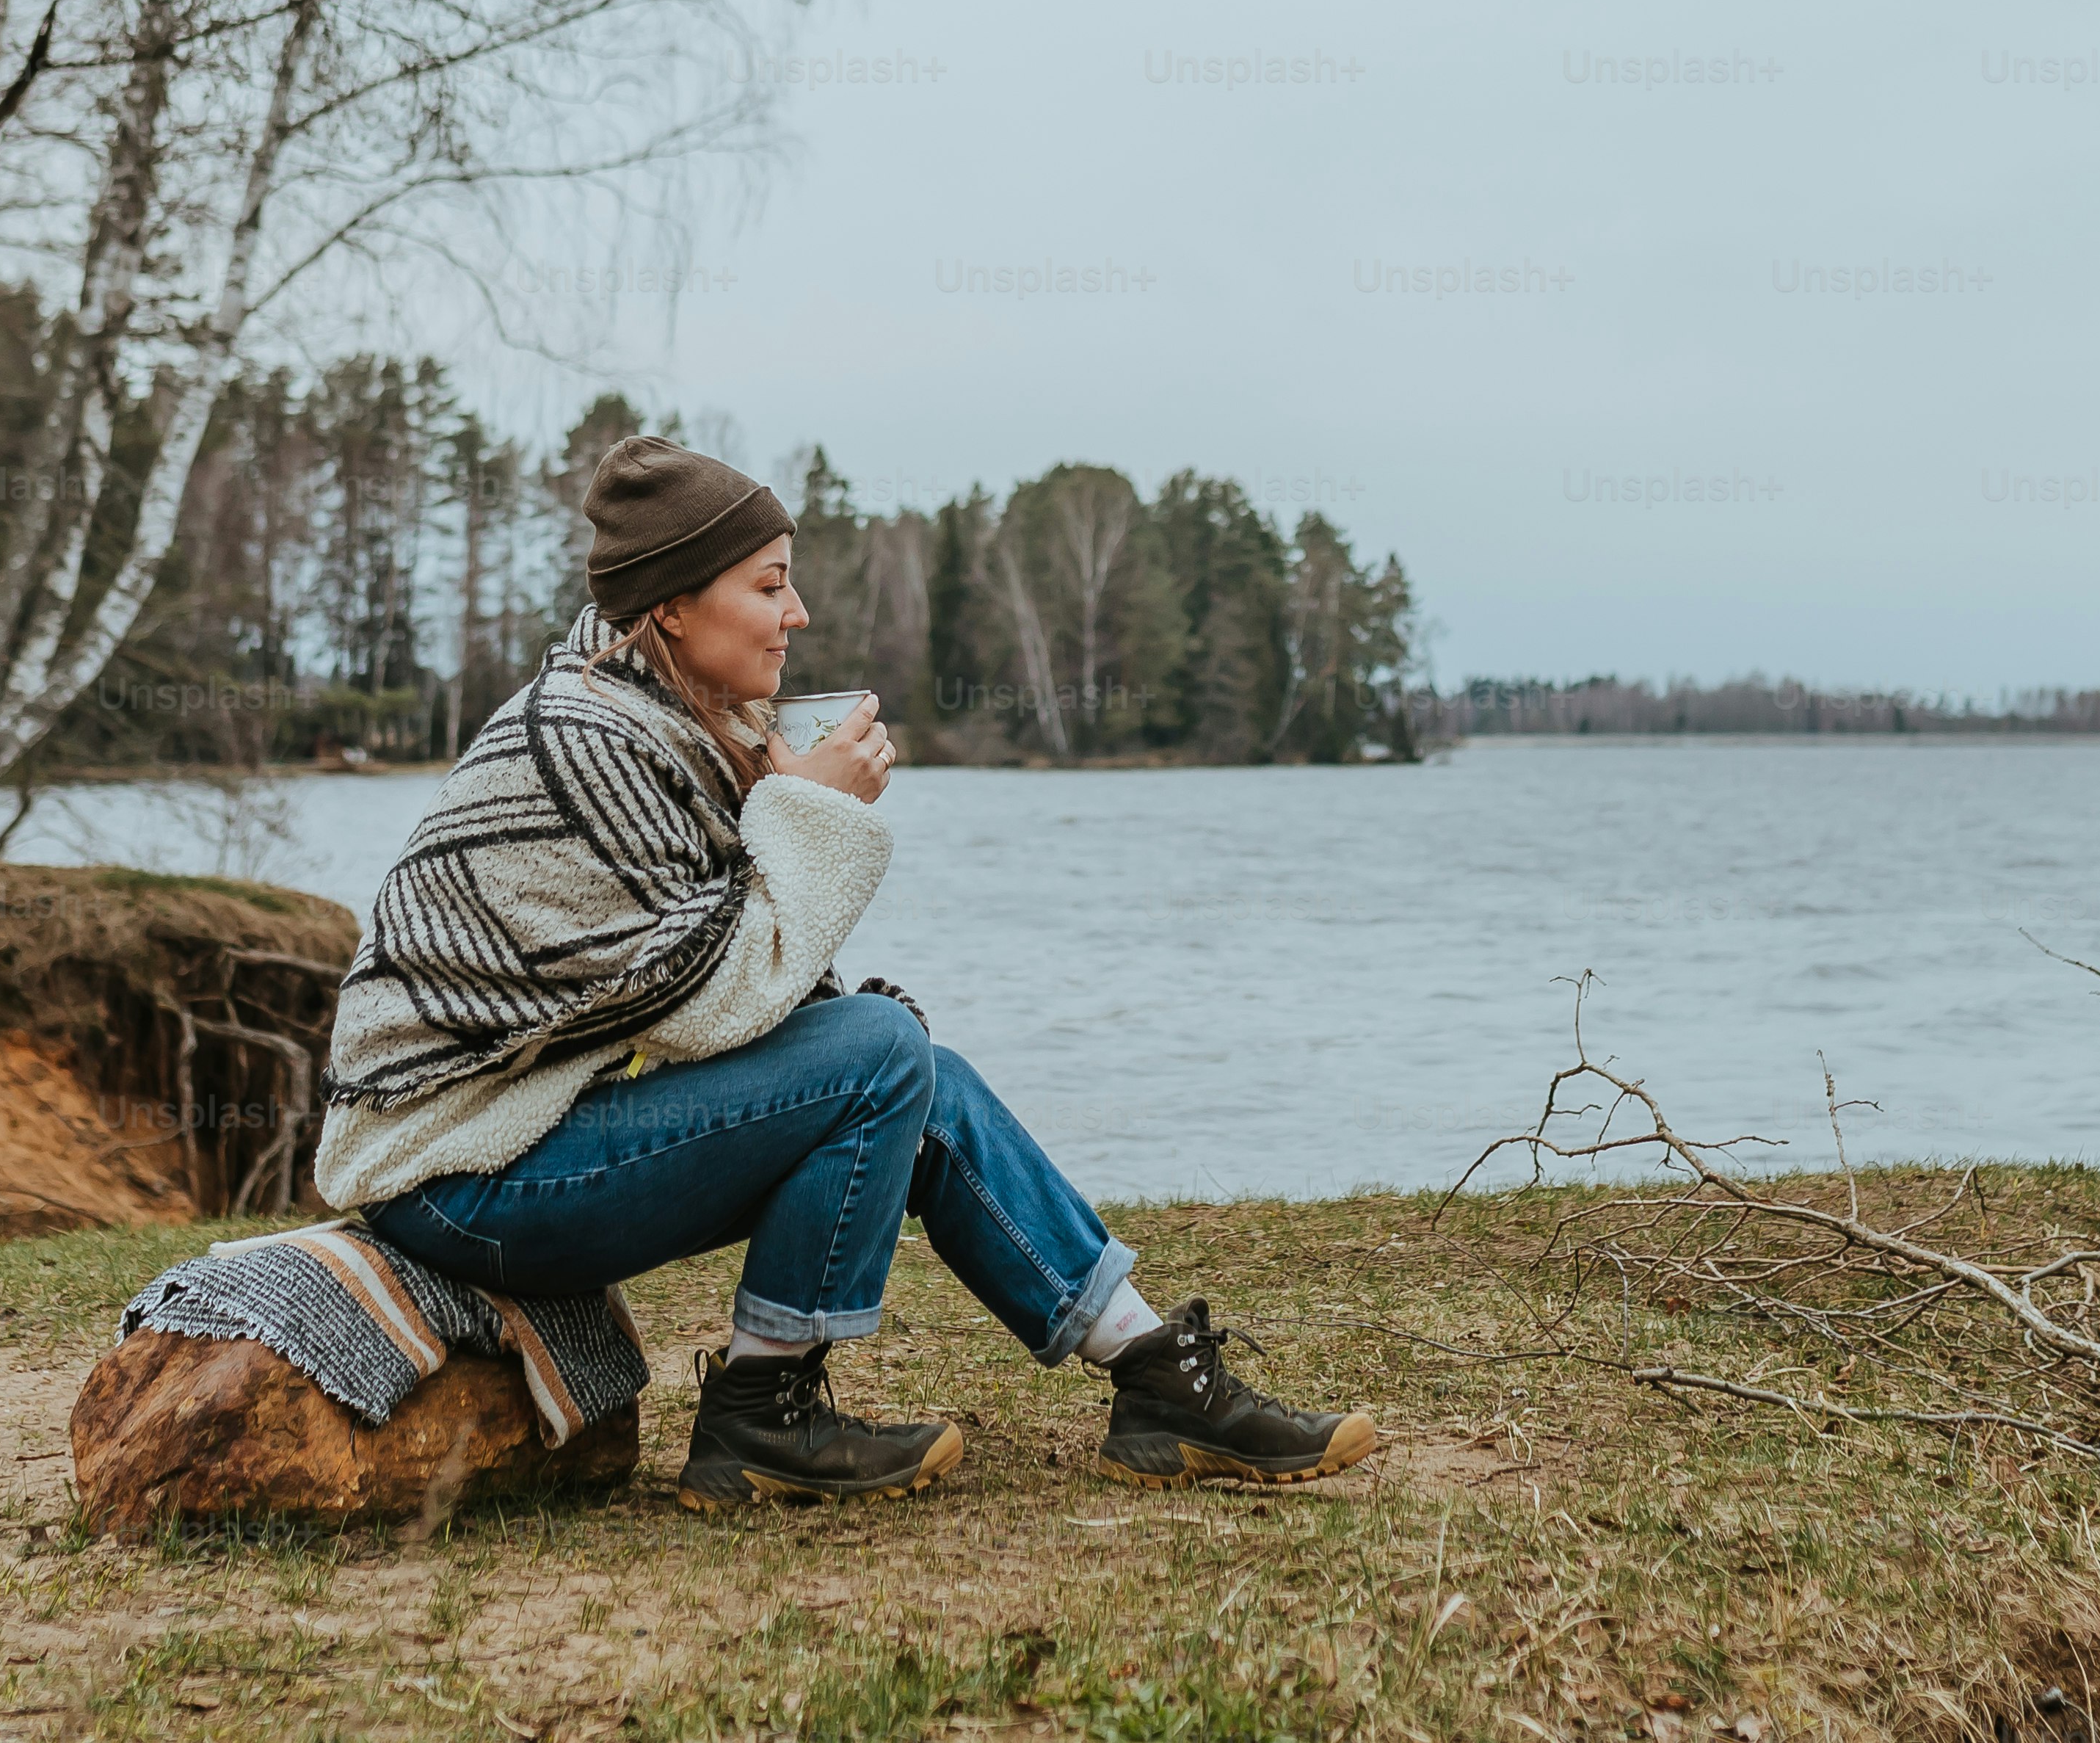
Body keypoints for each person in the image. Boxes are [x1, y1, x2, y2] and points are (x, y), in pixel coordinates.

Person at [314, 433, 1378, 1511]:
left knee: (912, 1068)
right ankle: (763, 1412)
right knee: (877, 1052)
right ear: (674, 606)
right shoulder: (588, 743)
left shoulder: (666, 725)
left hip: (517, 1144)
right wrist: (804, 813)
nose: (799, 612)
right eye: (771, 584)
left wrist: (773, 807)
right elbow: (712, 1000)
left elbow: (744, 997)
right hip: (452, 1177)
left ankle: (1156, 1378)